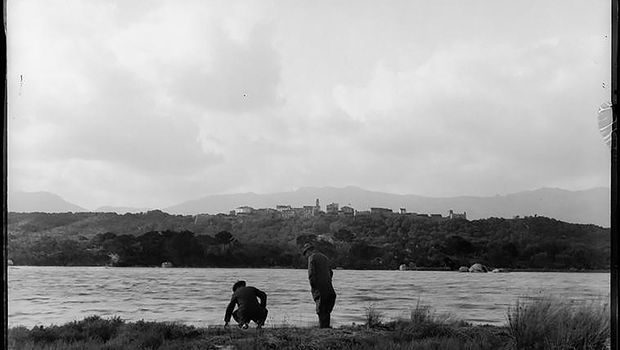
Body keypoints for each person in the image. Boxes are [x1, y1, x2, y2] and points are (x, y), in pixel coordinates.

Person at [302, 243, 337, 328]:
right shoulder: (325, 257)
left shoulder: (312, 258)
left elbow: (311, 273)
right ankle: (326, 326)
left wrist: (313, 286)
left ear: (309, 251)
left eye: (305, 254)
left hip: (319, 287)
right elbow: (331, 272)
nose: (306, 256)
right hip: (329, 287)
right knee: (327, 308)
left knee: (320, 308)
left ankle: (322, 327)